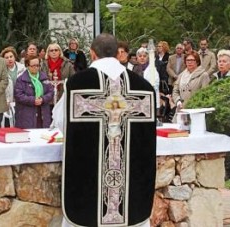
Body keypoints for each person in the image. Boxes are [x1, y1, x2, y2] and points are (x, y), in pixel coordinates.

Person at [60, 33, 156, 227]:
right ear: (117, 53)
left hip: (88, 187)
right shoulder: (144, 87)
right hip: (132, 194)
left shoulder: (77, 85)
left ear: (92, 54)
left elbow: (60, 124)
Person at [14, 55, 54, 129]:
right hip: (26, 115)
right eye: (33, 66)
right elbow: (18, 95)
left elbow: (51, 92)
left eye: (38, 65)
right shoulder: (21, 79)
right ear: (27, 66)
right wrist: (33, 100)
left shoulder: (44, 77)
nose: (36, 68)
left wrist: (43, 99)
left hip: (43, 113)